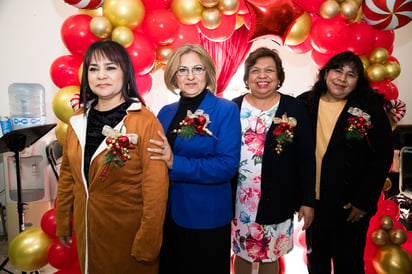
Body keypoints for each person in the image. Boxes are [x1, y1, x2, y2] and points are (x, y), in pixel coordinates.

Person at [55, 40, 169, 274]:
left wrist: (148, 239)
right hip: (88, 229)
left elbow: (155, 189)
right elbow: (68, 175)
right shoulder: (77, 120)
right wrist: (63, 219)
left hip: (128, 235)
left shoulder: (145, 121)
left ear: (125, 72)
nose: (101, 76)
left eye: (110, 67)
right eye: (93, 69)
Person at [147, 44, 241, 274]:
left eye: (197, 69)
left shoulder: (225, 110)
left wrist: (174, 163)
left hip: (206, 217)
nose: (190, 76)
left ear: (207, 72)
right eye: (182, 70)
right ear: (173, 76)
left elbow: (226, 166)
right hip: (169, 215)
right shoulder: (165, 112)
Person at [297, 51, 394, 274]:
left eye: (351, 74)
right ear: (326, 73)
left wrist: (363, 201)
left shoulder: (369, 109)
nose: (342, 78)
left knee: (348, 264)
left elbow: (382, 158)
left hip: (350, 206)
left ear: (358, 81)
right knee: (316, 262)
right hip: (314, 203)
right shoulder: (305, 103)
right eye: (338, 70)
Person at [230, 47, 316, 274]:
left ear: (279, 77)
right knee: (242, 252)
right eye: (255, 70)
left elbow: (307, 157)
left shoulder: (294, 108)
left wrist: (308, 200)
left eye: (269, 70)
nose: (262, 75)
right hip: (239, 199)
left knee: (270, 253)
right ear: (247, 77)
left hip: (278, 195)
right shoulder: (233, 107)